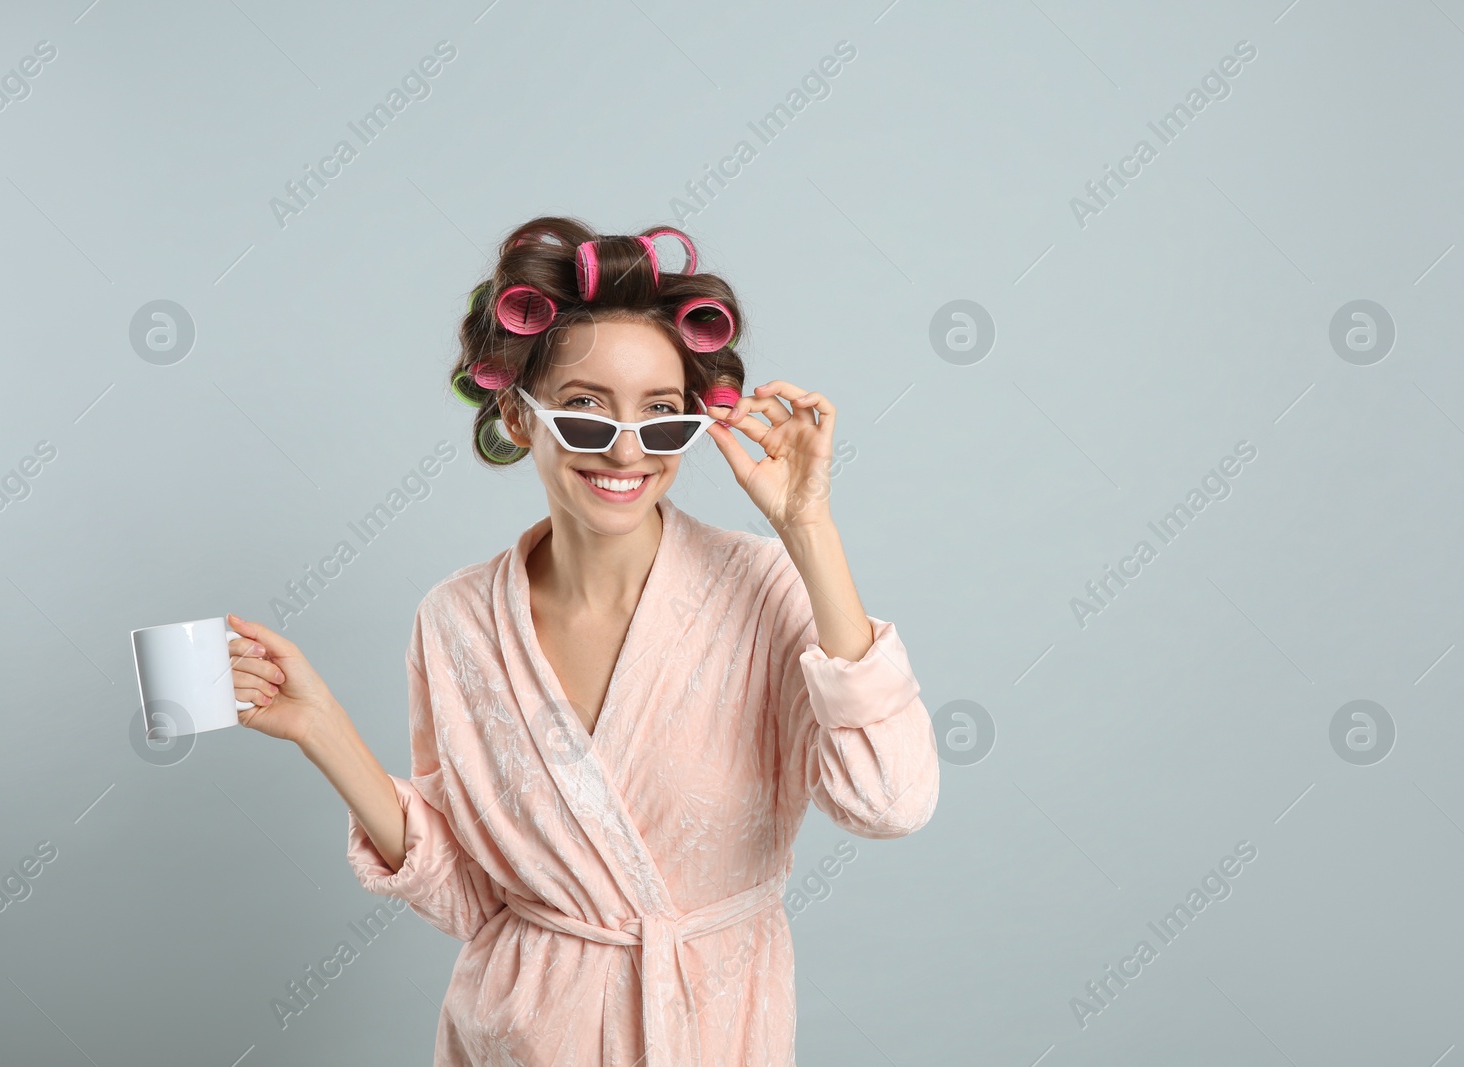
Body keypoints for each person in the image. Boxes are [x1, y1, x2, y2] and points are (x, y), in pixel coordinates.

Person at [224, 216, 940, 1066]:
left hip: (714, 1033)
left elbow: (890, 800)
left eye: (663, 417)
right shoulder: (457, 622)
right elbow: (470, 898)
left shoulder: (763, 593)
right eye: (586, 413)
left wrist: (807, 529)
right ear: (518, 416)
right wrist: (322, 730)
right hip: (521, 1038)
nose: (628, 449)